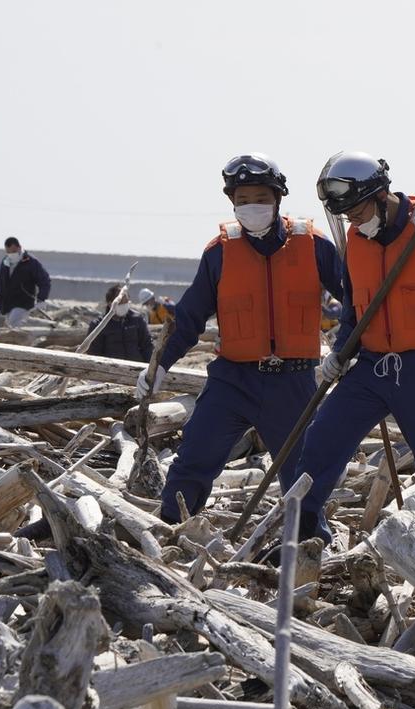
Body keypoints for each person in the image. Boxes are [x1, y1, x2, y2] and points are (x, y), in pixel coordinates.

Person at [295, 151, 415, 540]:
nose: (353, 221)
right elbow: (356, 307)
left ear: (381, 194)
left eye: (356, 211)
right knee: (320, 443)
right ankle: (302, 537)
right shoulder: (355, 239)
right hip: (370, 368)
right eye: (346, 216)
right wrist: (339, 352)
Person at [136, 153, 342, 524]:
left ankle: (309, 547)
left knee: (302, 474)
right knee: (194, 458)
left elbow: (357, 299)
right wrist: (160, 364)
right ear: (232, 201)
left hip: (293, 382)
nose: (252, 207)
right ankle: (169, 530)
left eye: (261, 198)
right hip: (233, 380)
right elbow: (189, 317)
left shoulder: (312, 243)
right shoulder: (219, 252)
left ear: (278, 198)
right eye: (243, 200)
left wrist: (349, 351)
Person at [0, 237, 51, 327]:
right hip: (8, 303)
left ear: (19, 247)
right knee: (9, 325)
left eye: (13, 252)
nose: (11, 255)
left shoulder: (31, 262)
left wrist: (41, 299)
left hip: (23, 302)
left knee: (14, 323)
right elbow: (1, 286)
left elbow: (44, 280)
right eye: (8, 252)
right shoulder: (5, 262)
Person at [88, 285, 153, 362]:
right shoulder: (99, 325)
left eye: (126, 302)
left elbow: (147, 346)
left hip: (136, 368)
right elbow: (94, 354)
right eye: (120, 303)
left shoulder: (137, 320)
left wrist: (149, 367)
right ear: (110, 303)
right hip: (111, 370)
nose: (124, 306)